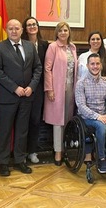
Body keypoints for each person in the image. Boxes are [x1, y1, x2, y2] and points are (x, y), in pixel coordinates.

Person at [0, 19, 42, 176]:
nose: (14, 31)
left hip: (26, 97)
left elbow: (38, 68)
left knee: (22, 130)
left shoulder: (29, 46)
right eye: (11, 28)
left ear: (21, 30)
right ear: (6, 30)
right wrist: (15, 88)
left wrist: (31, 87)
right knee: (5, 131)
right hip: (7, 97)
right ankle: (4, 163)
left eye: (17, 28)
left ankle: (20, 160)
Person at [75, 53, 106, 174]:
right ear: (87, 66)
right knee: (101, 125)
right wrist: (98, 117)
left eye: (97, 64)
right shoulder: (81, 83)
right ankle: (101, 158)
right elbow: (81, 106)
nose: (95, 66)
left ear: (101, 65)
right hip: (88, 117)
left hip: (105, 115)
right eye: (92, 64)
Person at [43, 21, 78, 166]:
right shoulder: (53, 47)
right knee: (58, 121)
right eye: (60, 30)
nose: (63, 33)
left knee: (67, 120)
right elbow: (47, 69)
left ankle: (65, 149)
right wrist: (49, 89)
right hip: (56, 88)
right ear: (57, 33)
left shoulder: (72, 47)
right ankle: (58, 152)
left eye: (66, 30)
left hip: (71, 88)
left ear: (69, 32)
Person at [21, 16, 49, 164]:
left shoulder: (45, 45)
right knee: (22, 121)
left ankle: (32, 151)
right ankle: (21, 152)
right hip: (23, 88)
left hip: (38, 89)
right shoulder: (22, 44)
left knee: (35, 120)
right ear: (25, 29)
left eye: (34, 24)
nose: (32, 27)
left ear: (38, 27)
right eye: (29, 25)